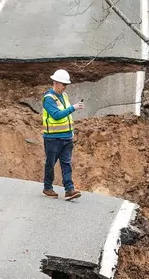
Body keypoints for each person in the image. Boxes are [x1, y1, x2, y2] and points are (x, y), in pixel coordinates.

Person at [41, 69, 84, 201]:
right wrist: (73, 108)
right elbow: (57, 115)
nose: (65, 87)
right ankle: (47, 187)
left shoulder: (64, 96)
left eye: (66, 85)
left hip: (66, 138)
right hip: (52, 138)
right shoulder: (48, 99)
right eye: (63, 84)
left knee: (66, 163)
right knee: (50, 163)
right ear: (56, 83)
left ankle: (69, 190)